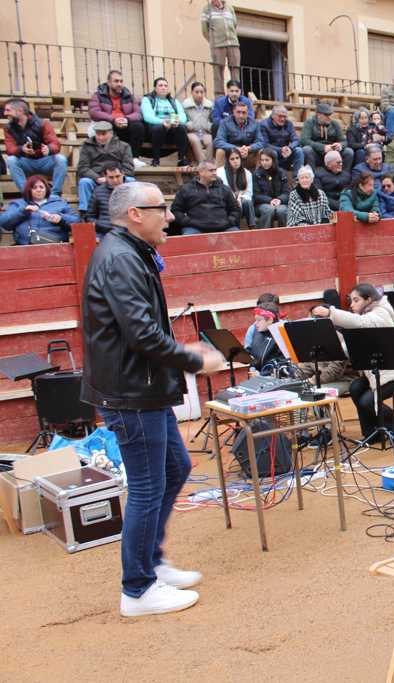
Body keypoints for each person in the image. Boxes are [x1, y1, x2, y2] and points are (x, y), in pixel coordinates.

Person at [81, 181, 223, 616]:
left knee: (176, 468)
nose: (170, 216)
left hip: (143, 387)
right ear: (135, 214)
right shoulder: (120, 258)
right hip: (131, 393)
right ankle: (138, 589)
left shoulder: (129, 251)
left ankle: (152, 562)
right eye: (162, 208)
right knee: (147, 487)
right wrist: (192, 359)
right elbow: (141, 334)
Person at [312, 284, 394, 441]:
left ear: (369, 300)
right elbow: (348, 346)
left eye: (356, 300)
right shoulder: (364, 316)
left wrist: (331, 313)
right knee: (356, 387)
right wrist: (328, 349)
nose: (352, 305)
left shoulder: (381, 313)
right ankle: (371, 434)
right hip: (379, 374)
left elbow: (362, 323)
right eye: (351, 301)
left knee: (367, 401)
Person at [3, 98, 68, 194]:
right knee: (11, 160)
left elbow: (55, 144)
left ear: (20, 111)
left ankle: (55, 195)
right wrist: (21, 149)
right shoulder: (8, 128)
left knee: (61, 159)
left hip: (44, 162)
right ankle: (27, 194)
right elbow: (10, 149)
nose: (5, 113)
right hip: (26, 162)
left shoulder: (43, 124)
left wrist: (49, 149)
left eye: (8, 110)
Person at [0, 176, 79, 245]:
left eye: (41, 187)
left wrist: (61, 219)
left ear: (46, 189)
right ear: (28, 190)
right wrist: (23, 212)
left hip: (55, 246)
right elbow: (4, 222)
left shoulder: (59, 203)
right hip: (24, 246)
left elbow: (77, 222)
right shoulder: (19, 204)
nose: (39, 190)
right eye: (34, 187)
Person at [88, 70, 145, 161]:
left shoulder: (129, 96)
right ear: (109, 83)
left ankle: (134, 158)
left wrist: (126, 119)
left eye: (121, 81)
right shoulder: (98, 95)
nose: (119, 84)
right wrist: (113, 119)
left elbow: (138, 113)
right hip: (109, 124)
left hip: (125, 124)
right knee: (104, 127)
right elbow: (94, 112)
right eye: (116, 81)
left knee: (138, 126)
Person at [77, 120, 134, 212]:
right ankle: (85, 211)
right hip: (96, 177)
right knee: (85, 182)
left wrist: (115, 177)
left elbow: (129, 168)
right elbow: (83, 167)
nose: (100, 137)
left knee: (130, 181)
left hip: (117, 176)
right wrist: (97, 178)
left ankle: (128, 209)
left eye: (103, 134)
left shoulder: (124, 146)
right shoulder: (86, 146)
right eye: (98, 134)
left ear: (111, 133)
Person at [170, 160, 240, 234]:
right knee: (189, 237)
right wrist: (188, 222)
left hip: (224, 227)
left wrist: (228, 222)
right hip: (195, 228)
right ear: (201, 172)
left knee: (237, 235)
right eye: (211, 170)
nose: (215, 173)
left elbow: (235, 210)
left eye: (215, 170)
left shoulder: (224, 189)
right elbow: (176, 210)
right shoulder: (186, 189)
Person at [141, 78, 189, 167]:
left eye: (165, 86)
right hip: (154, 132)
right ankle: (156, 160)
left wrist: (176, 121)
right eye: (160, 85)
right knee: (158, 127)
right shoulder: (147, 99)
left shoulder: (174, 101)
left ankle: (181, 159)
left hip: (172, 131)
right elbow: (148, 117)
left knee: (182, 127)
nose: (163, 88)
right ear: (155, 88)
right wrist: (163, 122)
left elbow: (183, 117)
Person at [201, 0, 240, 95]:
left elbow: (234, 24)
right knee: (218, 71)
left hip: (233, 43)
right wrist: (212, 41)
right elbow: (204, 29)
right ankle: (219, 95)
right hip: (217, 44)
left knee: (235, 68)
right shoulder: (207, 9)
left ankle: (236, 92)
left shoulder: (230, 8)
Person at [300, 102, 350, 170]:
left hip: (333, 153)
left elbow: (344, 141)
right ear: (318, 114)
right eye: (326, 115)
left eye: (330, 115)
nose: (329, 117)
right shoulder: (309, 122)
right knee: (307, 150)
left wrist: (340, 145)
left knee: (348, 152)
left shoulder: (335, 123)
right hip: (316, 153)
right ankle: (311, 174)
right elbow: (304, 140)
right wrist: (323, 147)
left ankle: (344, 174)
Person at [86, 162, 129, 236]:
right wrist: (104, 226)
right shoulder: (98, 192)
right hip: (104, 232)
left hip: (128, 232)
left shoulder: (133, 190)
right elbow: (89, 217)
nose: (115, 180)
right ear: (105, 177)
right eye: (111, 177)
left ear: (123, 174)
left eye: (118, 176)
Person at [258, 105, 304, 175]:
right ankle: (274, 177)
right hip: (272, 154)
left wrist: (290, 148)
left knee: (299, 151)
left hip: (286, 153)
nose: (283, 119)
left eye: (284, 116)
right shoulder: (263, 125)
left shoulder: (289, 124)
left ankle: (297, 178)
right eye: (280, 116)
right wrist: (280, 150)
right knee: (272, 153)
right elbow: (264, 144)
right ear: (273, 116)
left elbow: (296, 140)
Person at [213, 100, 261, 166]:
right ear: (233, 112)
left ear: (247, 113)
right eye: (238, 112)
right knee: (220, 151)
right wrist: (236, 148)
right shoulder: (225, 123)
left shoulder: (255, 123)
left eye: (244, 112)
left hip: (248, 153)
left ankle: (259, 172)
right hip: (230, 153)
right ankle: (219, 172)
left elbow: (261, 142)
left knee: (261, 151)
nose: (241, 115)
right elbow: (218, 141)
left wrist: (249, 148)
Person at [216, 148, 255, 227]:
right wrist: (233, 200)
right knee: (235, 206)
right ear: (227, 160)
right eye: (232, 159)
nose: (235, 161)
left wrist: (240, 198)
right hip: (227, 202)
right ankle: (235, 228)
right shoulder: (219, 172)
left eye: (237, 158)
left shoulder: (247, 173)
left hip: (241, 200)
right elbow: (220, 192)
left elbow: (249, 193)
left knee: (247, 202)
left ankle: (252, 226)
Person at [245, 302, 285, 375]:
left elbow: (283, 364)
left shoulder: (281, 335)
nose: (255, 323)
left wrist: (262, 374)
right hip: (255, 375)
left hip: (272, 378)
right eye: (255, 320)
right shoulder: (256, 331)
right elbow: (250, 353)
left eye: (259, 320)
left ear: (270, 320)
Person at [252, 149, 289, 228]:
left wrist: (279, 200)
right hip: (262, 204)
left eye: (267, 160)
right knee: (268, 210)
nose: (264, 162)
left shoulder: (281, 173)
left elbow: (287, 192)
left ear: (273, 160)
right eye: (262, 160)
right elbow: (256, 195)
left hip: (280, 203)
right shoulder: (256, 174)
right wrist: (270, 200)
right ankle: (264, 234)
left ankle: (285, 234)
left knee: (282, 211)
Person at [181, 82, 214, 164]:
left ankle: (208, 164)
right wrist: (189, 125)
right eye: (197, 92)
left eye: (202, 92)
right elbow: (182, 119)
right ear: (192, 92)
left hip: (205, 132)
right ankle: (202, 164)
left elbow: (212, 120)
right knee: (195, 141)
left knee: (211, 141)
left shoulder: (209, 105)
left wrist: (208, 126)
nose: (200, 95)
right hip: (191, 132)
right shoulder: (185, 105)